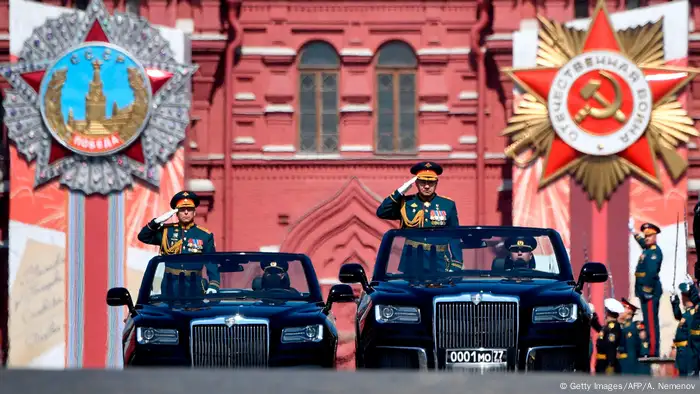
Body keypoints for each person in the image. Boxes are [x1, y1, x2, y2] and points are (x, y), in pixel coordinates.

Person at [376, 161, 462, 272]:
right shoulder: (406, 203)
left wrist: (457, 263)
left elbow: (455, 236)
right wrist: (400, 191)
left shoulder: (447, 204)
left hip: (439, 260)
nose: (426, 186)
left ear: (436, 183)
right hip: (412, 260)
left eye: (431, 182)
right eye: (422, 182)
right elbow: (381, 212)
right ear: (416, 183)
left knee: (439, 289)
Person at [137, 191, 220, 296]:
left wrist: (213, 284)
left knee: (195, 312)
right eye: (182, 210)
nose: (186, 212)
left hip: (194, 285)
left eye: (189, 210)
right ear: (176, 213)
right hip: (171, 285)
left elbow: (211, 262)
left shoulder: (204, 235)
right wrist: (156, 222)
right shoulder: (166, 231)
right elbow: (143, 237)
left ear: (194, 212)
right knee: (169, 311)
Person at [629, 221, 663, 357]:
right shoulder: (647, 249)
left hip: (649, 292)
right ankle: (650, 347)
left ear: (655, 236)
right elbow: (642, 242)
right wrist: (633, 232)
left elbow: (651, 273)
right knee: (648, 320)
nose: (646, 238)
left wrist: (647, 291)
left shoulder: (654, 252)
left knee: (651, 322)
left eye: (649, 236)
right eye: (645, 236)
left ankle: (653, 350)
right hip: (643, 292)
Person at [671, 282, 699, 376]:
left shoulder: (692, 313)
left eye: (683, 295)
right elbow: (678, 316)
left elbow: (690, 334)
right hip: (682, 351)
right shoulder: (687, 313)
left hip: (687, 351)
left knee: (687, 377)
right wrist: (675, 303)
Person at [619, 298, 650, 375]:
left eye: (623, 308)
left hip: (629, 369)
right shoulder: (625, 327)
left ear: (629, 311)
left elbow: (631, 352)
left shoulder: (630, 329)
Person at [595, 298, 626, 375]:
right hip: (602, 363)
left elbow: (611, 345)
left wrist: (610, 364)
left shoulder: (613, 327)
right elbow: (601, 331)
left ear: (608, 312)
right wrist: (593, 321)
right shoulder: (608, 327)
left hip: (606, 363)